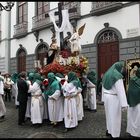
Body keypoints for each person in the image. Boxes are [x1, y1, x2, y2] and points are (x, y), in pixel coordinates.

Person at [102, 61, 128, 138]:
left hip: (106, 97)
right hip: (114, 98)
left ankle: (109, 130)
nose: (122, 69)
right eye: (122, 67)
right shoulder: (117, 76)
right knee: (115, 116)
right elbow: (121, 91)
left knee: (109, 115)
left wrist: (103, 98)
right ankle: (115, 134)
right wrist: (124, 105)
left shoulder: (107, 74)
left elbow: (103, 88)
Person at [126, 67, 140, 138]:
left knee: (131, 117)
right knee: (137, 118)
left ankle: (132, 132)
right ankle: (137, 133)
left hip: (131, 102)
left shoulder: (132, 80)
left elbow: (129, 91)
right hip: (138, 103)